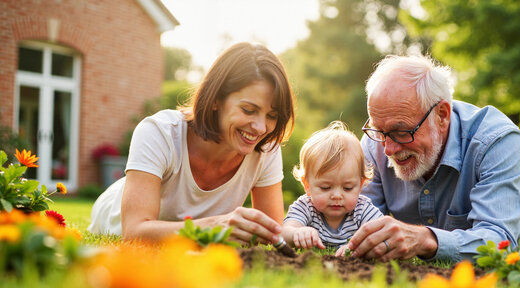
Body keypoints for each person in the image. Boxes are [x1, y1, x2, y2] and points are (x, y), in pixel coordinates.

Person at [88, 42, 294, 246]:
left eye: (272, 115)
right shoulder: (159, 132)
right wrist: (212, 227)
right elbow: (134, 232)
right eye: (248, 110)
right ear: (216, 100)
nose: (260, 127)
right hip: (116, 212)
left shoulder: (266, 149)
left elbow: (272, 234)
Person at [347, 54, 520, 262]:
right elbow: (354, 222)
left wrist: (425, 239)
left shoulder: (495, 140)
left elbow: (498, 240)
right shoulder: (375, 141)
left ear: (442, 114)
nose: (388, 149)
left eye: (402, 132)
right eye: (380, 131)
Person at [282, 121, 383, 250]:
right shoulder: (305, 207)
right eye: (325, 187)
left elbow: (382, 235)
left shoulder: (362, 210)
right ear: (307, 185)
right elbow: (284, 232)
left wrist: (355, 247)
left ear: (360, 185)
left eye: (347, 188)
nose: (336, 196)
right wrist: (297, 233)